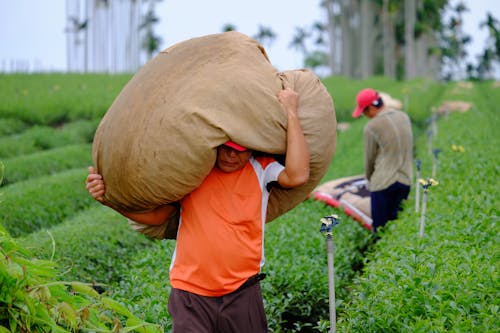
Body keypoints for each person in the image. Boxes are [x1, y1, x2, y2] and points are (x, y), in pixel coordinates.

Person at [86, 87, 310, 333]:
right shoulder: (193, 171)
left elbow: (298, 174)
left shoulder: (261, 169)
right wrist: (109, 200)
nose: (231, 156)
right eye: (226, 148)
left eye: (240, 150)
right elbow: (157, 216)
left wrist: (291, 112)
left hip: (242, 291)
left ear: (253, 148)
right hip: (191, 294)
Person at [352, 88, 413, 233]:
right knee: (400, 229)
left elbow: (370, 159)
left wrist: (369, 179)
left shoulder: (371, 127)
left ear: (372, 108)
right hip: (405, 181)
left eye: (365, 112)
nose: (365, 116)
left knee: (380, 230)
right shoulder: (404, 117)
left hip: (383, 184)